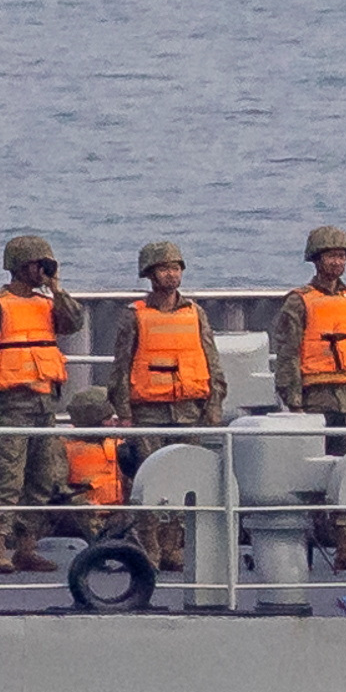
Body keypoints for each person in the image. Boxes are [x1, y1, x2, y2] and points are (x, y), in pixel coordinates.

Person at [0, 235, 83, 575]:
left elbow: (75, 322)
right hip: (14, 403)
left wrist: (56, 287)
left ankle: (26, 546)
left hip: (47, 402)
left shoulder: (47, 304)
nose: (42, 269)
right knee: (8, 476)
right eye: (37, 264)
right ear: (19, 266)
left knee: (43, 476)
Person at [272, 225, 346, 571]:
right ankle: (307, 545)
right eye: (330, 256)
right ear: (315, 260)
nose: (336, 263)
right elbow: (288, 353)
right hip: (314, 400)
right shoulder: (299, 301)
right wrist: (294, 400)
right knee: (312, 475)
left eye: (341, 256)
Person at [113, 238, 225, 574]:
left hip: (189, 410)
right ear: (149, 274)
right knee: (149, 480)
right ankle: (150, 546)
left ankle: (174, 546)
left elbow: (211, 359)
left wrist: (214, 403)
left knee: (184, 479)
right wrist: (125, 413)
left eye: (175, 268)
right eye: (164, 268)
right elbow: (120, 367)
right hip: (148, 410)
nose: (171, 275)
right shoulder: (134, 316)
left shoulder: (196, 313)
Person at [55, 384, 130, 540]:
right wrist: (82, 502)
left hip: (119, 513)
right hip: (82, 515)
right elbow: (58, 489)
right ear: (94, 420)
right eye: (108, 419)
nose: (113, 423)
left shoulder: (119, 444)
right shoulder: (63, 447)